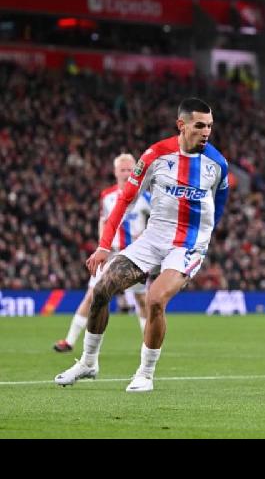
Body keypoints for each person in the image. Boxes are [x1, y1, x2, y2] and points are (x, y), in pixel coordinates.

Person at [54, 97, 229, 392]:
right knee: (100, 290)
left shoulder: (217, 164)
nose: (206, 132)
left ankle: (145, 374)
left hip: (187, 245)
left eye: (210, 126)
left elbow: (220, 202)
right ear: (181, 125)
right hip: (153, 239)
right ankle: (87, 362)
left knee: (155, 300)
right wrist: (103, 246)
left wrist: (205, 237)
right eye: (200, 126)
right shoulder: (154, 156)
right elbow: (125, 200)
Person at [53, 154, 151, 353]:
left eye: (129, 169)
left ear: (136, 171)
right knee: (91, 295)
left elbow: (155, 223)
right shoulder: (108, 196)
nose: (126, 173)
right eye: (122, 170)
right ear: (115, 172)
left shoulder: (146, 196)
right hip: (111, 254)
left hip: (135, 256)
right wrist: (102, 246)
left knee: (142, 300)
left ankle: (148, 343)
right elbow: (103, 221)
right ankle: (69, 341)